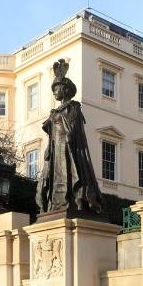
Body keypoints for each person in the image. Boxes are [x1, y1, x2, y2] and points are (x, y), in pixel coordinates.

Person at [36, 59, 103, 216]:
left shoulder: (74, 107)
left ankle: (75, 199)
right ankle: (56, 203)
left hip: (68, 149)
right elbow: (51, 132)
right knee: (54, 177)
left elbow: (72, 130)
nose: (54, 92)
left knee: (70, 174)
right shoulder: (55, 112)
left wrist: (68, 138)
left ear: (65, 90)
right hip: (56, 150)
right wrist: (48, 149)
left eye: (56, 88)